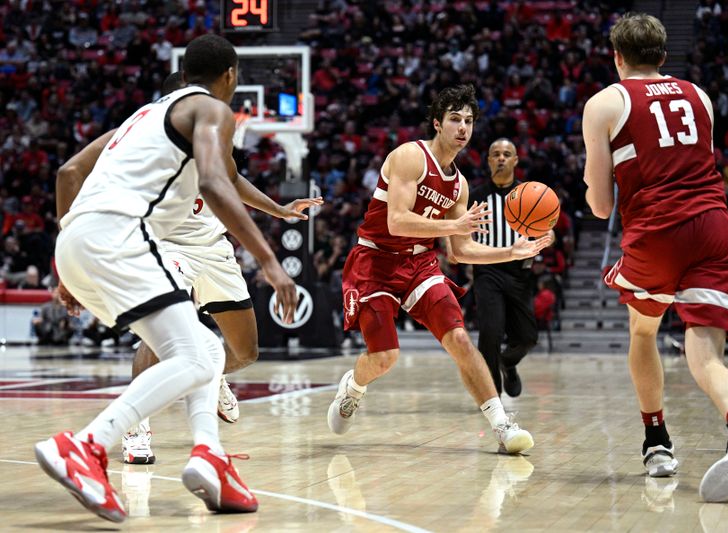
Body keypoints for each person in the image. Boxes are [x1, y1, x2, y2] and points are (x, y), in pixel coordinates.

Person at [35, 35, 297, 522]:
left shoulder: (143, 116)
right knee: (201, 352)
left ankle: (209, 456)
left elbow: (70, 170)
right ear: (231, 76)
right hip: (121, 235)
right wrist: (270, 261)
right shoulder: (213, 111)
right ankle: (86, 445)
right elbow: (217, 183)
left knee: (205, 350)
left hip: (78, 239)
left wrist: (68, 264)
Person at [56, 71, 322, 465]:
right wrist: (269, 262)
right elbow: (70, 173)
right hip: (165, 244)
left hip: (213, 247)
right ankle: (136, 427)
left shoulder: (208, 131)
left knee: (244, 351)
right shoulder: (143, 136)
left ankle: (207, 380)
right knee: (159, 333)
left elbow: (230, 178)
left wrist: (278, 210)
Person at [583, 13, 728, 503]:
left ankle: (657, 443)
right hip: (717, 230)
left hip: (659, 231)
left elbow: (603, 205)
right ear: (664, 57)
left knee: (643, 331)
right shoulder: (700, 95)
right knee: (705, 353)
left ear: (617, 57)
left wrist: (592, 191)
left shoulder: (606, 101)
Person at [326, 85, 551, 454]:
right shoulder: (409, 157)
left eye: (469, 121)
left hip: (419, 265)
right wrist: (452, 227)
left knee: (460, 340)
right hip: (376, 261)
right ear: (437, 123)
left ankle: (502, 426)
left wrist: (510, 251)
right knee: (384, 358)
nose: (463, 128)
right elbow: (397, 221)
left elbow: (461, 252)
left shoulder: (459, 185)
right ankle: (353, 387)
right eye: (455, 119)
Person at [466, 138, 539, 397]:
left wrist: (547, 239)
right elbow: (462, 234)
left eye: (506, 154)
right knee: (490, 334)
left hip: (520, 272)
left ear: (515, 160)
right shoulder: (474, 197)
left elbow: (545, 231)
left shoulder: (529, 195)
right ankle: (492, 400)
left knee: (528, 337)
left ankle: (507, 363)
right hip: (487, 271)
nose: (500, 158)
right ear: (488, 160)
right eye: (495, 154)